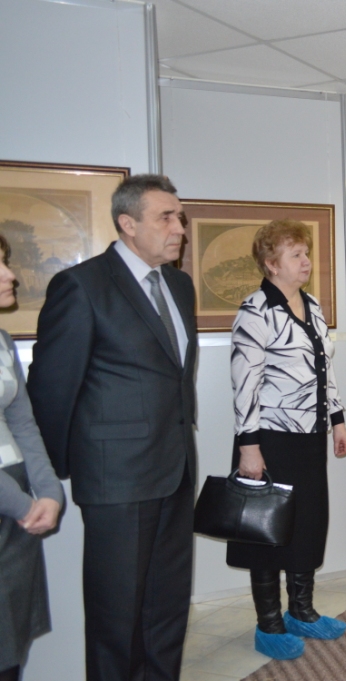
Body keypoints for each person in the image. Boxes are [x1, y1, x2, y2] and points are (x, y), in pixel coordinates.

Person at [27, 174, 198, 681]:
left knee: (167, 606)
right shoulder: (82, 286)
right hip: (116, 480)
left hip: (175, 471)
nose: (179, 228)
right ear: (128, 223)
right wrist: (55, 472)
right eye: (166, 217)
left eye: (180, 217)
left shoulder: (179, 285)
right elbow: (52, 388)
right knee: (116, 616)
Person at [230, 220, 346, 660]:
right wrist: (248, 447)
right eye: (296, 255)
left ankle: (302, 611)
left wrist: (338, 421)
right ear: (271, 263)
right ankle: (269, 625)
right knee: (267, 532)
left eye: (306, 253)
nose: (306, 261)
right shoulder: (255, 311)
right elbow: (244, 384)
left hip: (310, 436)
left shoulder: (312, 306)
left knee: (307, 524)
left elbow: (325, 371)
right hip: (269, 439)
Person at [0, 235, 64, 681]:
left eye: (5, 262)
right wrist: (24, 505)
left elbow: (23, 422)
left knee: (10, 644)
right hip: (12, 502)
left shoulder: (3, 341)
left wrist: (50, 491)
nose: (11, 275)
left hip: (17, 499)